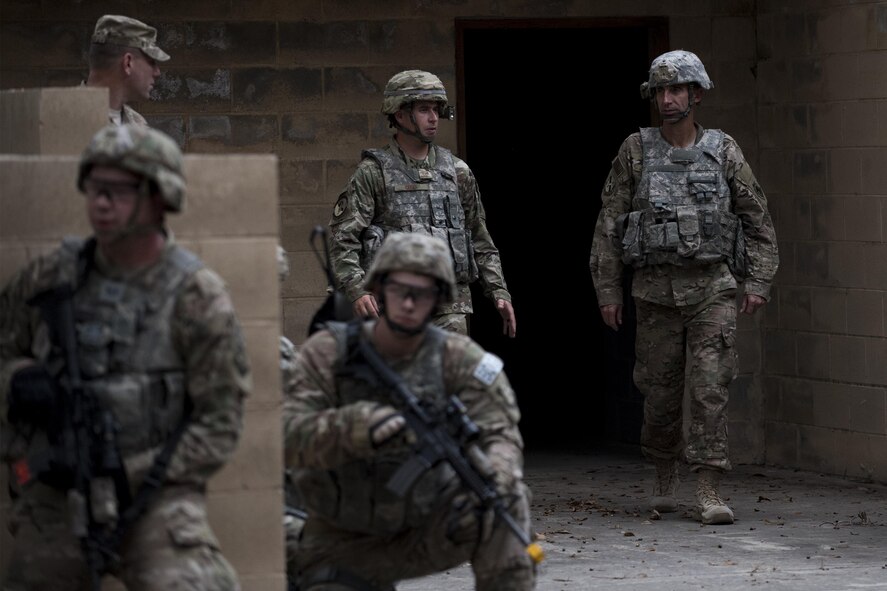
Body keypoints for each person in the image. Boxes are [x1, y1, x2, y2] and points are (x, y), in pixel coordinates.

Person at [0, 124, 250, 589]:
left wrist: (132, 471)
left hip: (155, 497)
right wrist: (17, 379)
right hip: (59, 490)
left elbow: (221, 420)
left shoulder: (196, 295)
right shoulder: (51, 279)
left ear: (160, 196)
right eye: (94, 188)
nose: (99, 202)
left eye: (116, 190)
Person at [283, 232, 536, 590]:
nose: (408, 303)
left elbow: (501, 433)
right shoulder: (328, 354)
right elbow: (287, 434)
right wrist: (357, 427)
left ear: (439, 300)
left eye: (423, 293)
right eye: (400, 289)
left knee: (505, 500)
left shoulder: (460, 360)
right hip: (344, 539)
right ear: (380, 288)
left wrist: (496, 468)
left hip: (427, 526)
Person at [589, 50, 779, 525]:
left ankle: (709, 488)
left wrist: (757, 280)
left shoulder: (724, 150)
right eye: (660, 91)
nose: (668, 99)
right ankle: (663, 474)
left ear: (696, 95)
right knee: (659, 390)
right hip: (653, 292)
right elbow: (608, 226)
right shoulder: (635, 151)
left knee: (711, 387)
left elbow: (758, 221)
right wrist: (608, 291)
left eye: (677, 90)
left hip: (712, 288)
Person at [327, 69, 516, 338]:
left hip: (448, 308)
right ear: (400, 114)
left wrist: (498, 290)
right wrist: (356, 289)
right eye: (424, 109)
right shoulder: (373, 173)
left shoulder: (458, 172)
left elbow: (478, 237)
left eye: (437, 110)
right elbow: (342, 239)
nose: (433, 118)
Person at [85, 14, 169, 126]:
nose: (157, 72)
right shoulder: (62, 118)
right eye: (151, 62)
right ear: (128, 63)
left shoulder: (137, 123)